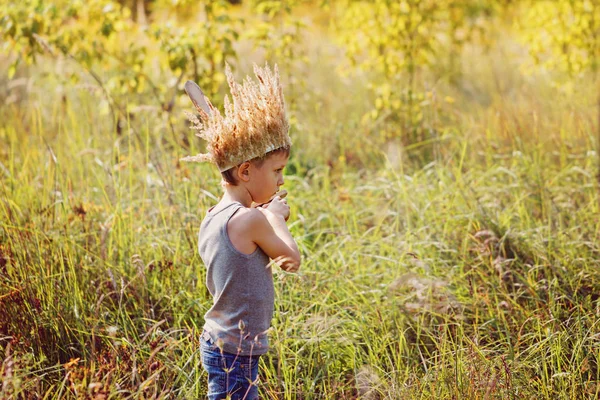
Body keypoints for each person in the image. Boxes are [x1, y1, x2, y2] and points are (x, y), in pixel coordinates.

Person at [181, 63, 301, 400]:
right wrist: (275, 217)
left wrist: (265, 215)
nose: (281, 180)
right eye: (277, 171)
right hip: (235, 352)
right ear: (245, 171)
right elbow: (291, 261)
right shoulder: (252, 221)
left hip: (223, 345)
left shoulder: (216, 215)